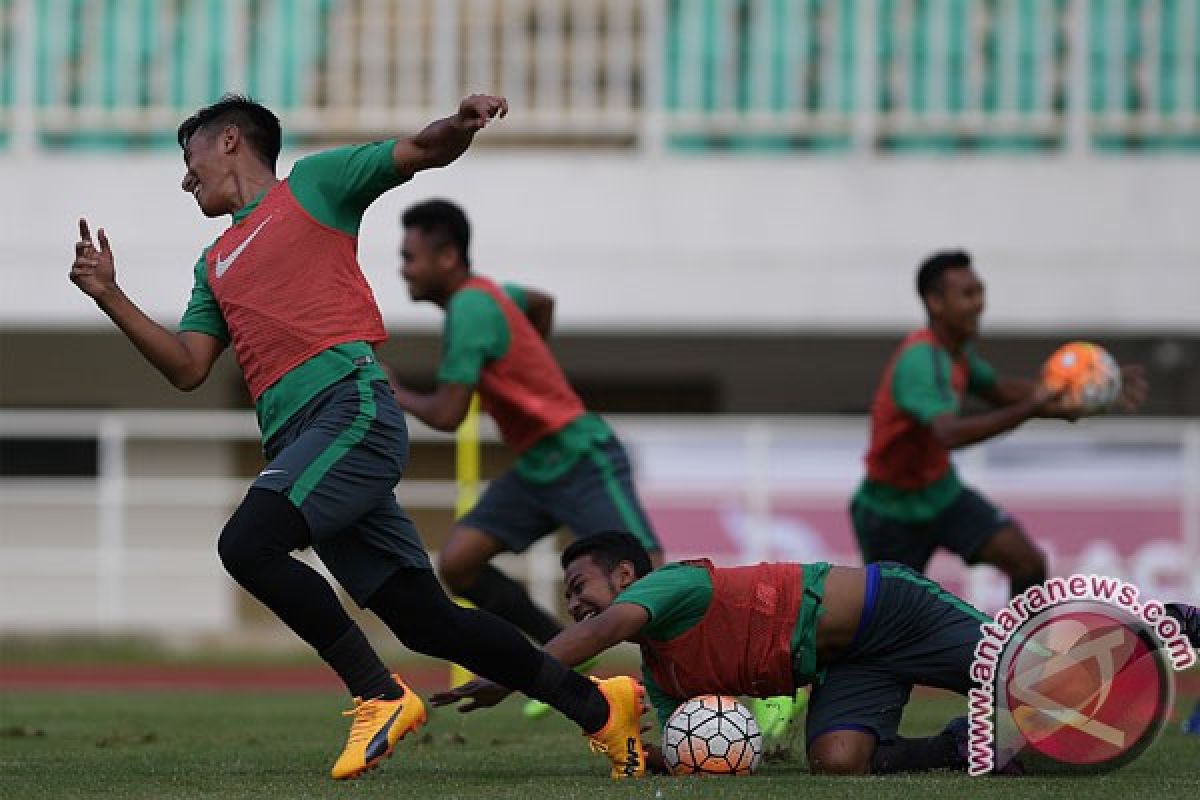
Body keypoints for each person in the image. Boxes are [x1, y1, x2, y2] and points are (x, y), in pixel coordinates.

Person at [68, 93, 646, 781]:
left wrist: (459, 127)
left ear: (229, 141)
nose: (185, 179)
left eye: (189, 160)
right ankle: (603, 710)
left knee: (247, 543)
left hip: (351, 413)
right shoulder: (213, 263)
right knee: (430, 623)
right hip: (301, 445)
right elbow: (189, 368)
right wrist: (110, 294)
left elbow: (419, 150)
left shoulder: (313, 186)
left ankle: (378, 693)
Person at [433, 531, 991, 775]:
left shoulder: (667, 585)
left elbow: (600, 633)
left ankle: (1069, 640)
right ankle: (962, 743)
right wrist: (633, 754)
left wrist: (511, 676)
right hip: (851, 665)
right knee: (838, 762)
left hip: (892, 609)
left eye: (580, 587)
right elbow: (689, 748)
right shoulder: (662, 670)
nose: (576, 605)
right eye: (569, 598)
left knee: (1021, 666)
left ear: (626, 574)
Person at [387, 199, 663, 659]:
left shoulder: (469, 308)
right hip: (537, 466)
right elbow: (541, 301)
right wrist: (524, 361)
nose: (403, 270)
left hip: (580, 457)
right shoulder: (490, 294)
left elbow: (448, 415)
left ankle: (758, 667)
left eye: (410, 258)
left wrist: (397, 394)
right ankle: (559, 649)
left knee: (651, 579)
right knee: (459, 563)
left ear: (448, 257)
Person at [850, 250, 1148, 598]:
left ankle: (1017, 652)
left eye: (980, 291)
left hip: (941, 494)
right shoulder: (920, 360)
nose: (979, 304)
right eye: (967, 294)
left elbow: (1004, 392)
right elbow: (949, 433)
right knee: (886, 629)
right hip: (891, 511)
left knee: (1029, 564)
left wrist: (1085, 391)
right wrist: (1032, 408)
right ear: (935, 302)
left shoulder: (956, 352)